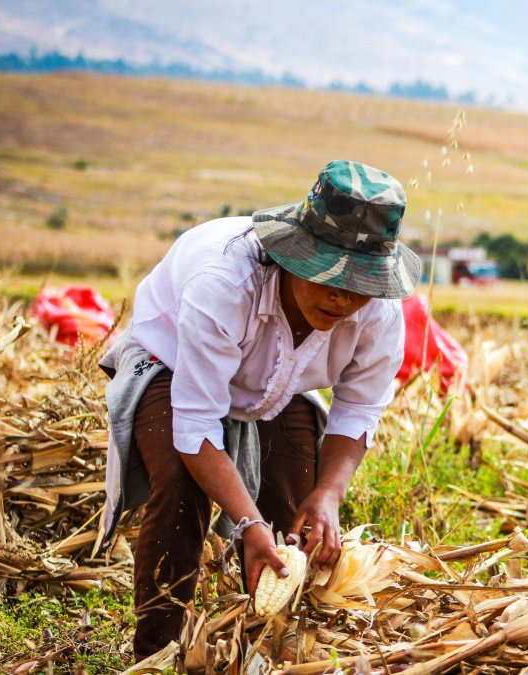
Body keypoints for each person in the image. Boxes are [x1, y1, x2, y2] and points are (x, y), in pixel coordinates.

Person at [97, 160, 420, 659]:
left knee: (295, 510)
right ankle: (155, 653)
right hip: (172, 362)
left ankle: (263, 651)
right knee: (183, 485)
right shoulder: (225, 283)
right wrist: (246, 524)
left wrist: (329, 494)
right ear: (292, 256)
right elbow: (197, 424)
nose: (342, 297)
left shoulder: (377, 312)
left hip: (280, 382)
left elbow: (357, 409)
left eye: (359, 284)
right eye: (328, 276)